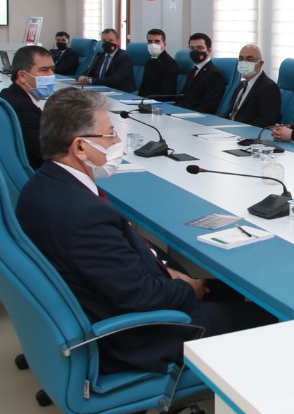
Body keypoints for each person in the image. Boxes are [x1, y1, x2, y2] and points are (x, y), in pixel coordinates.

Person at [14, 88, 274, 374]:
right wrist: (189, 288)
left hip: (103, 299)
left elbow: (117, 270)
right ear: (80, 148)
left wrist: (164, 269)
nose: (118, 143)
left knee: (226, 288)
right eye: (110, 135)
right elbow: (140, 296)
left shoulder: (43, 185)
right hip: (135, 339)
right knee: (272, 318)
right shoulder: (82, 213)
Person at [0, 44, 55, 168]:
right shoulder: (23, 108)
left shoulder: (8, 94)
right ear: (23, 76)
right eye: (44, 70)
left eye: (52, 69)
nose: (51, 75)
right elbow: (49, 152)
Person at [222, 43, 281, 127]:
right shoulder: (241, 84)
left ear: (260, 64)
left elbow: (267, 121)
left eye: (249, 59)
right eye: (241, 59)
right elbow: (230, 112)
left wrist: (238, 128)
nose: (244, 63)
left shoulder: (269, 88)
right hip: (228, 129)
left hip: (246, 132)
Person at [175, 32, 225, 114]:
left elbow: (209, 106)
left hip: (193, 116)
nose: (195, 51)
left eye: (199, 48)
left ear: (209, 50)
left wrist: (185, 114)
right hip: (180, 112)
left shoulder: (214, 74)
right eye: (192, 48)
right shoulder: (193, 70)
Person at [138, 28, 178, 99]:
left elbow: (167, 93)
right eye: (150, 41)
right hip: (143, 100)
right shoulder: (149, 62)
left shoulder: (170, 64)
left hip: (159, 102)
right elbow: (143, 89)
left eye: (157, 41)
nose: (153, 44)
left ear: (164, 45)